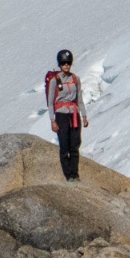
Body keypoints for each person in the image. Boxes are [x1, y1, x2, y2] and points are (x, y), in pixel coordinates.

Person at [43, 49, 87, 181]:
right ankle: (68, 175)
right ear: (60, 65)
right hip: (61, 115)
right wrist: (52, 120)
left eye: (68, 63)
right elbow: (50, 102)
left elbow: (79, 99)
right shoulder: (55, 81)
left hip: (74, 114)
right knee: (64, 145)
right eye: (63, 63)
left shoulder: (75, 79)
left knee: (75, 144)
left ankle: (75, 174)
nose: (66, 65)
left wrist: (84, 116)